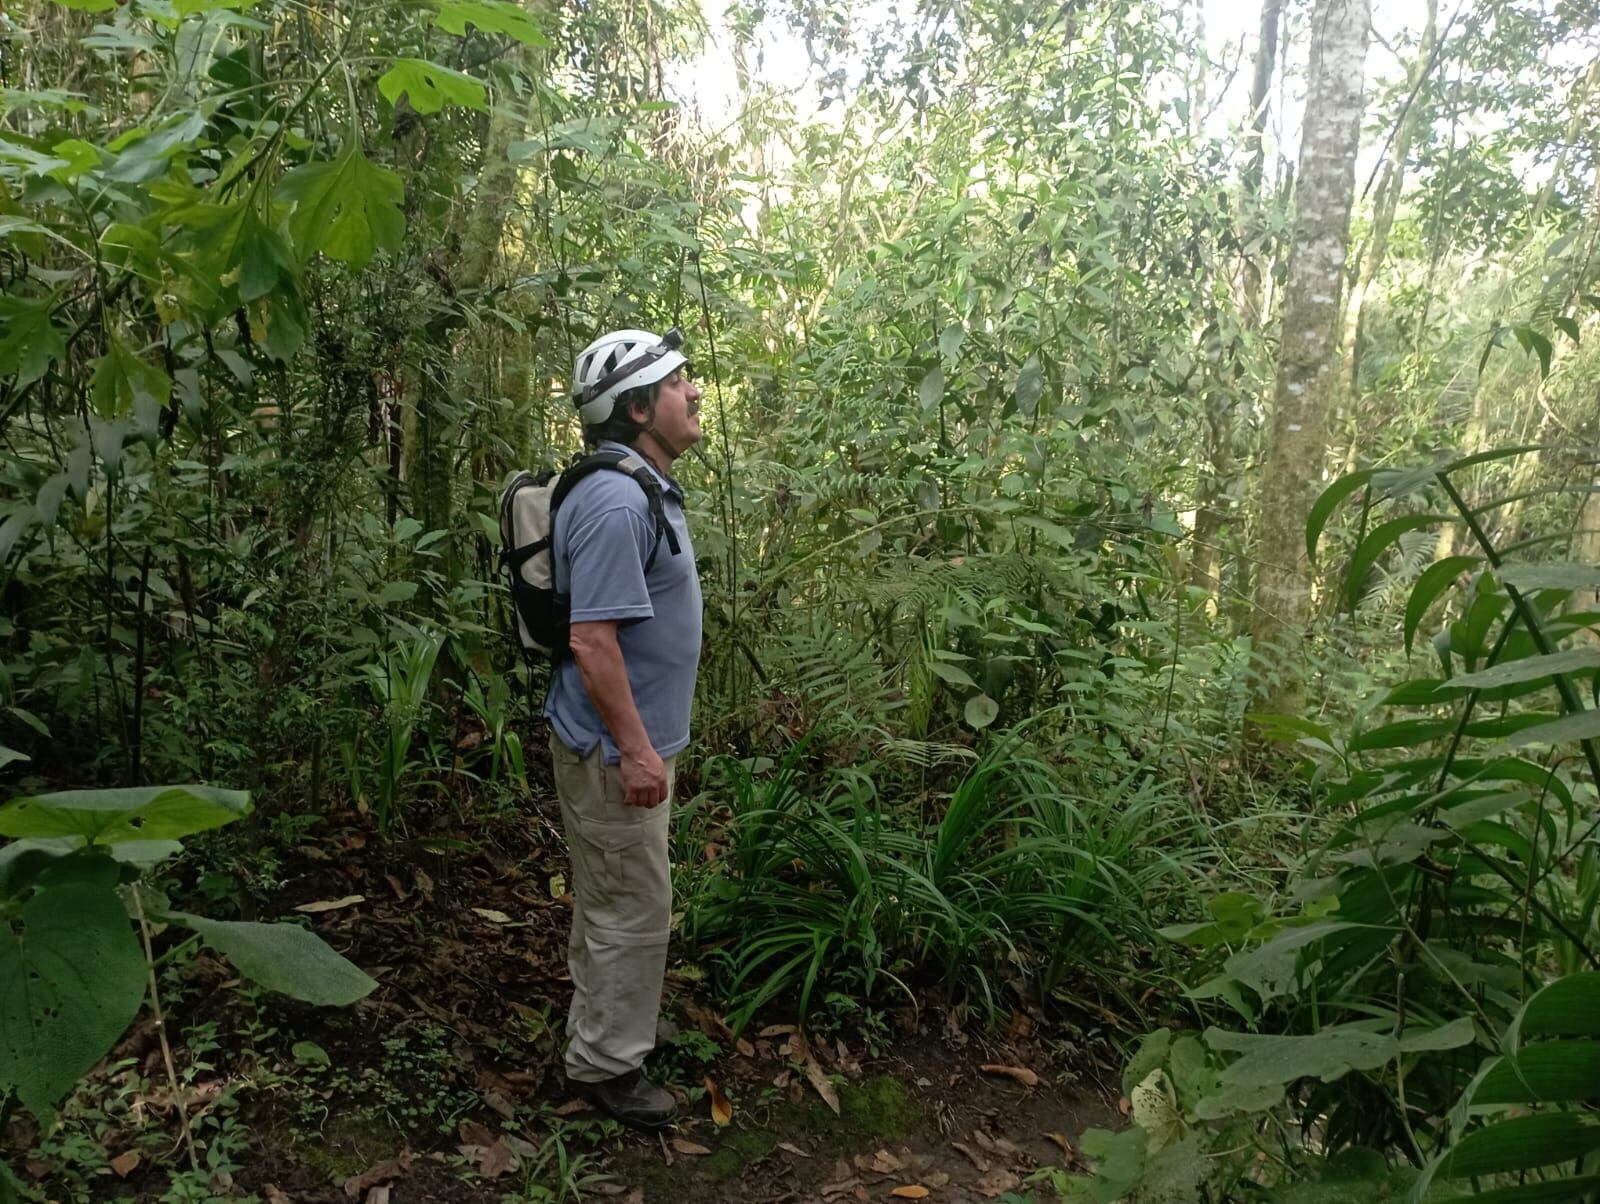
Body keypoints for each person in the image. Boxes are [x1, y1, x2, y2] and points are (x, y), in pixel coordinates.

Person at [546, 327, 704, 1130]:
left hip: (627, 747)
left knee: (615, 899)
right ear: (637, 406)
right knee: (631, 907)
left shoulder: (640, 483)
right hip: (616, 753)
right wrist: (639, 750)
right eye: (680, 383)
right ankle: (605, 1068)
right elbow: (592, 640)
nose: (695, 392)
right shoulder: (615, 499)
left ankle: (613, 1025)